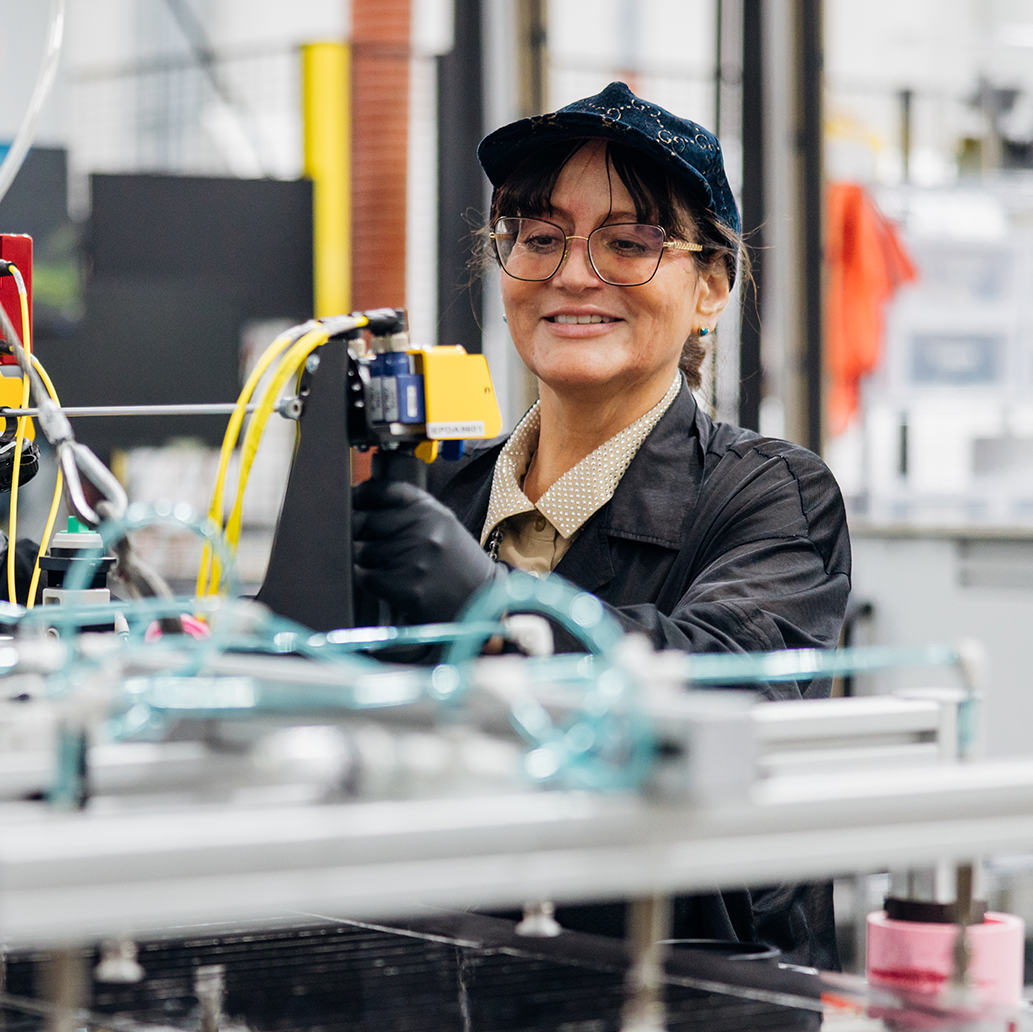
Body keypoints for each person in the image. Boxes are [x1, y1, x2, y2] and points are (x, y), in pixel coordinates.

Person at [351, 82, 850, 967]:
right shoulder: (442, 498)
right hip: (439, 994)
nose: (573, 275)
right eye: (540, 237)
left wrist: (497, 610)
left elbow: (719, 682)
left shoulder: (773, 496)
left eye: (629, 243)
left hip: (689, 1004)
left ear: (710, 288)